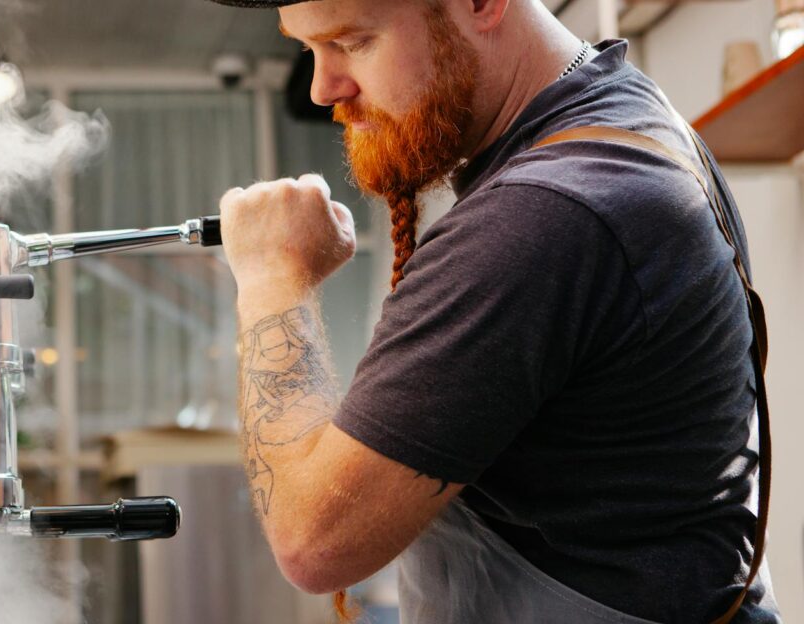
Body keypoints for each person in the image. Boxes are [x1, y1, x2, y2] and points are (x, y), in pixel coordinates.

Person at [208, 0, 782, 622]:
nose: (324, 88)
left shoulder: (545, 215)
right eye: (308, 49)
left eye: (353, 42)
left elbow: (313, 542)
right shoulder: (636, 121)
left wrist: (272, 275)